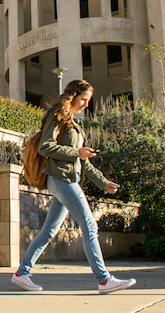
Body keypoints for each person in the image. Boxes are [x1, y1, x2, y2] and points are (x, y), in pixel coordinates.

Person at [12, 80, 136, 295]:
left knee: (48, 231)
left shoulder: (74, 125)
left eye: (88, 100)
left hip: (69, 178)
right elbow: (45, 147)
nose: (86, 104)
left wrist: (103, 182)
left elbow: (84, 162)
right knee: (89, 226)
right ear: (73, 96)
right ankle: (104, 280)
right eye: (84, 99)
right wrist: (76, 153)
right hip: (61, 179)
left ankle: (22, 274)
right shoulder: (57, 117)